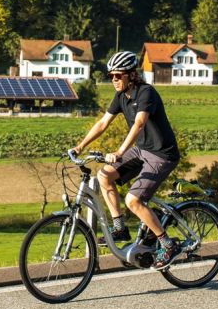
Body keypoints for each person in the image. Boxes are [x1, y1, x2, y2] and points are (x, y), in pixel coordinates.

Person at [72, 50, 182, 269]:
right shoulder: (121, 96)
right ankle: (120, 227)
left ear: (131, 75)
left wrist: (120, 152)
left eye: (117, 75)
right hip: (142, 151)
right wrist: (80, 145)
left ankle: (167, 244)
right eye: (111, 76)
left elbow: (139, 124)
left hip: (162, 154)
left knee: (133, 200)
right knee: (104, 175)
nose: (113, 80)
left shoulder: (145, 93)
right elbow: (103, 123)